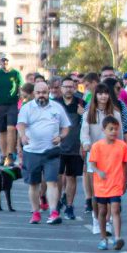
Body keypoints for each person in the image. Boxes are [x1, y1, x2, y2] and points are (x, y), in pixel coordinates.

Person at [16, 81, 71, 225]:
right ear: (34, 93)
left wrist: (61, 137)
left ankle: (53, 212)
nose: (42, 95)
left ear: (49, 93)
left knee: (52, 182)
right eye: (39, 93)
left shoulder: (57, 107)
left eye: (44, 92)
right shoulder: (27, 108)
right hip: (31, 151)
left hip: (51, 152)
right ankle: (35, 212)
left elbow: (65, 127)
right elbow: (20, 124)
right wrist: (23, 136)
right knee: (33, 184)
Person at [81, 83, 126, 234]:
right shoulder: (88, 114)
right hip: (94, 156)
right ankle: (96, 218)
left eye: (106, 93)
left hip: (112, 158)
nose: (103, 96)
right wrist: (86, 144)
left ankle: (107, 221)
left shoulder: (115, 114)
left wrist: (122, 151)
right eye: (100, 93)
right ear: (95, 96)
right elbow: (84, 133)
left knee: (111, 192)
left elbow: (119, 136)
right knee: (97, 193)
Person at [89, 115, 127, 250]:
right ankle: (103, 238)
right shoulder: (97, 146)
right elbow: (92, 164)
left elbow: (125, 165)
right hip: (101, 185)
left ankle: (117, 237)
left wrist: (124, 181)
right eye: (111, 129)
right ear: (104, 130)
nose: (114, 132)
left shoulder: (122, 146)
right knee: (102, 211)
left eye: (116, 129)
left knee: (116, 209)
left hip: (116, 183)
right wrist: (98, 171)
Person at [0, 55, 23, 167]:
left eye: (7, 60)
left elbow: (21, 90)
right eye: (3, 60)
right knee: (2, 131)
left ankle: (10, 155)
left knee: (11, 129)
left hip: (12, 104)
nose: (5, 62)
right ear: (0, 61)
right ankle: (3, 155)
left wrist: (22, 104)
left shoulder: (16, 73)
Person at [57, 76, 86, 220]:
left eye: (71, 86)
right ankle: (55, 205)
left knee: (71, 178)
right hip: (58, 147)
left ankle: (69, 206)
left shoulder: (81, 104)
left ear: (75, 88)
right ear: (61, 88)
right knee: (56, 177)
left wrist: (84, 114)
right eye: (65, 86)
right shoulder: (55, 104)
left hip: (75, 147)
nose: (68, 89)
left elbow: (89, 124)